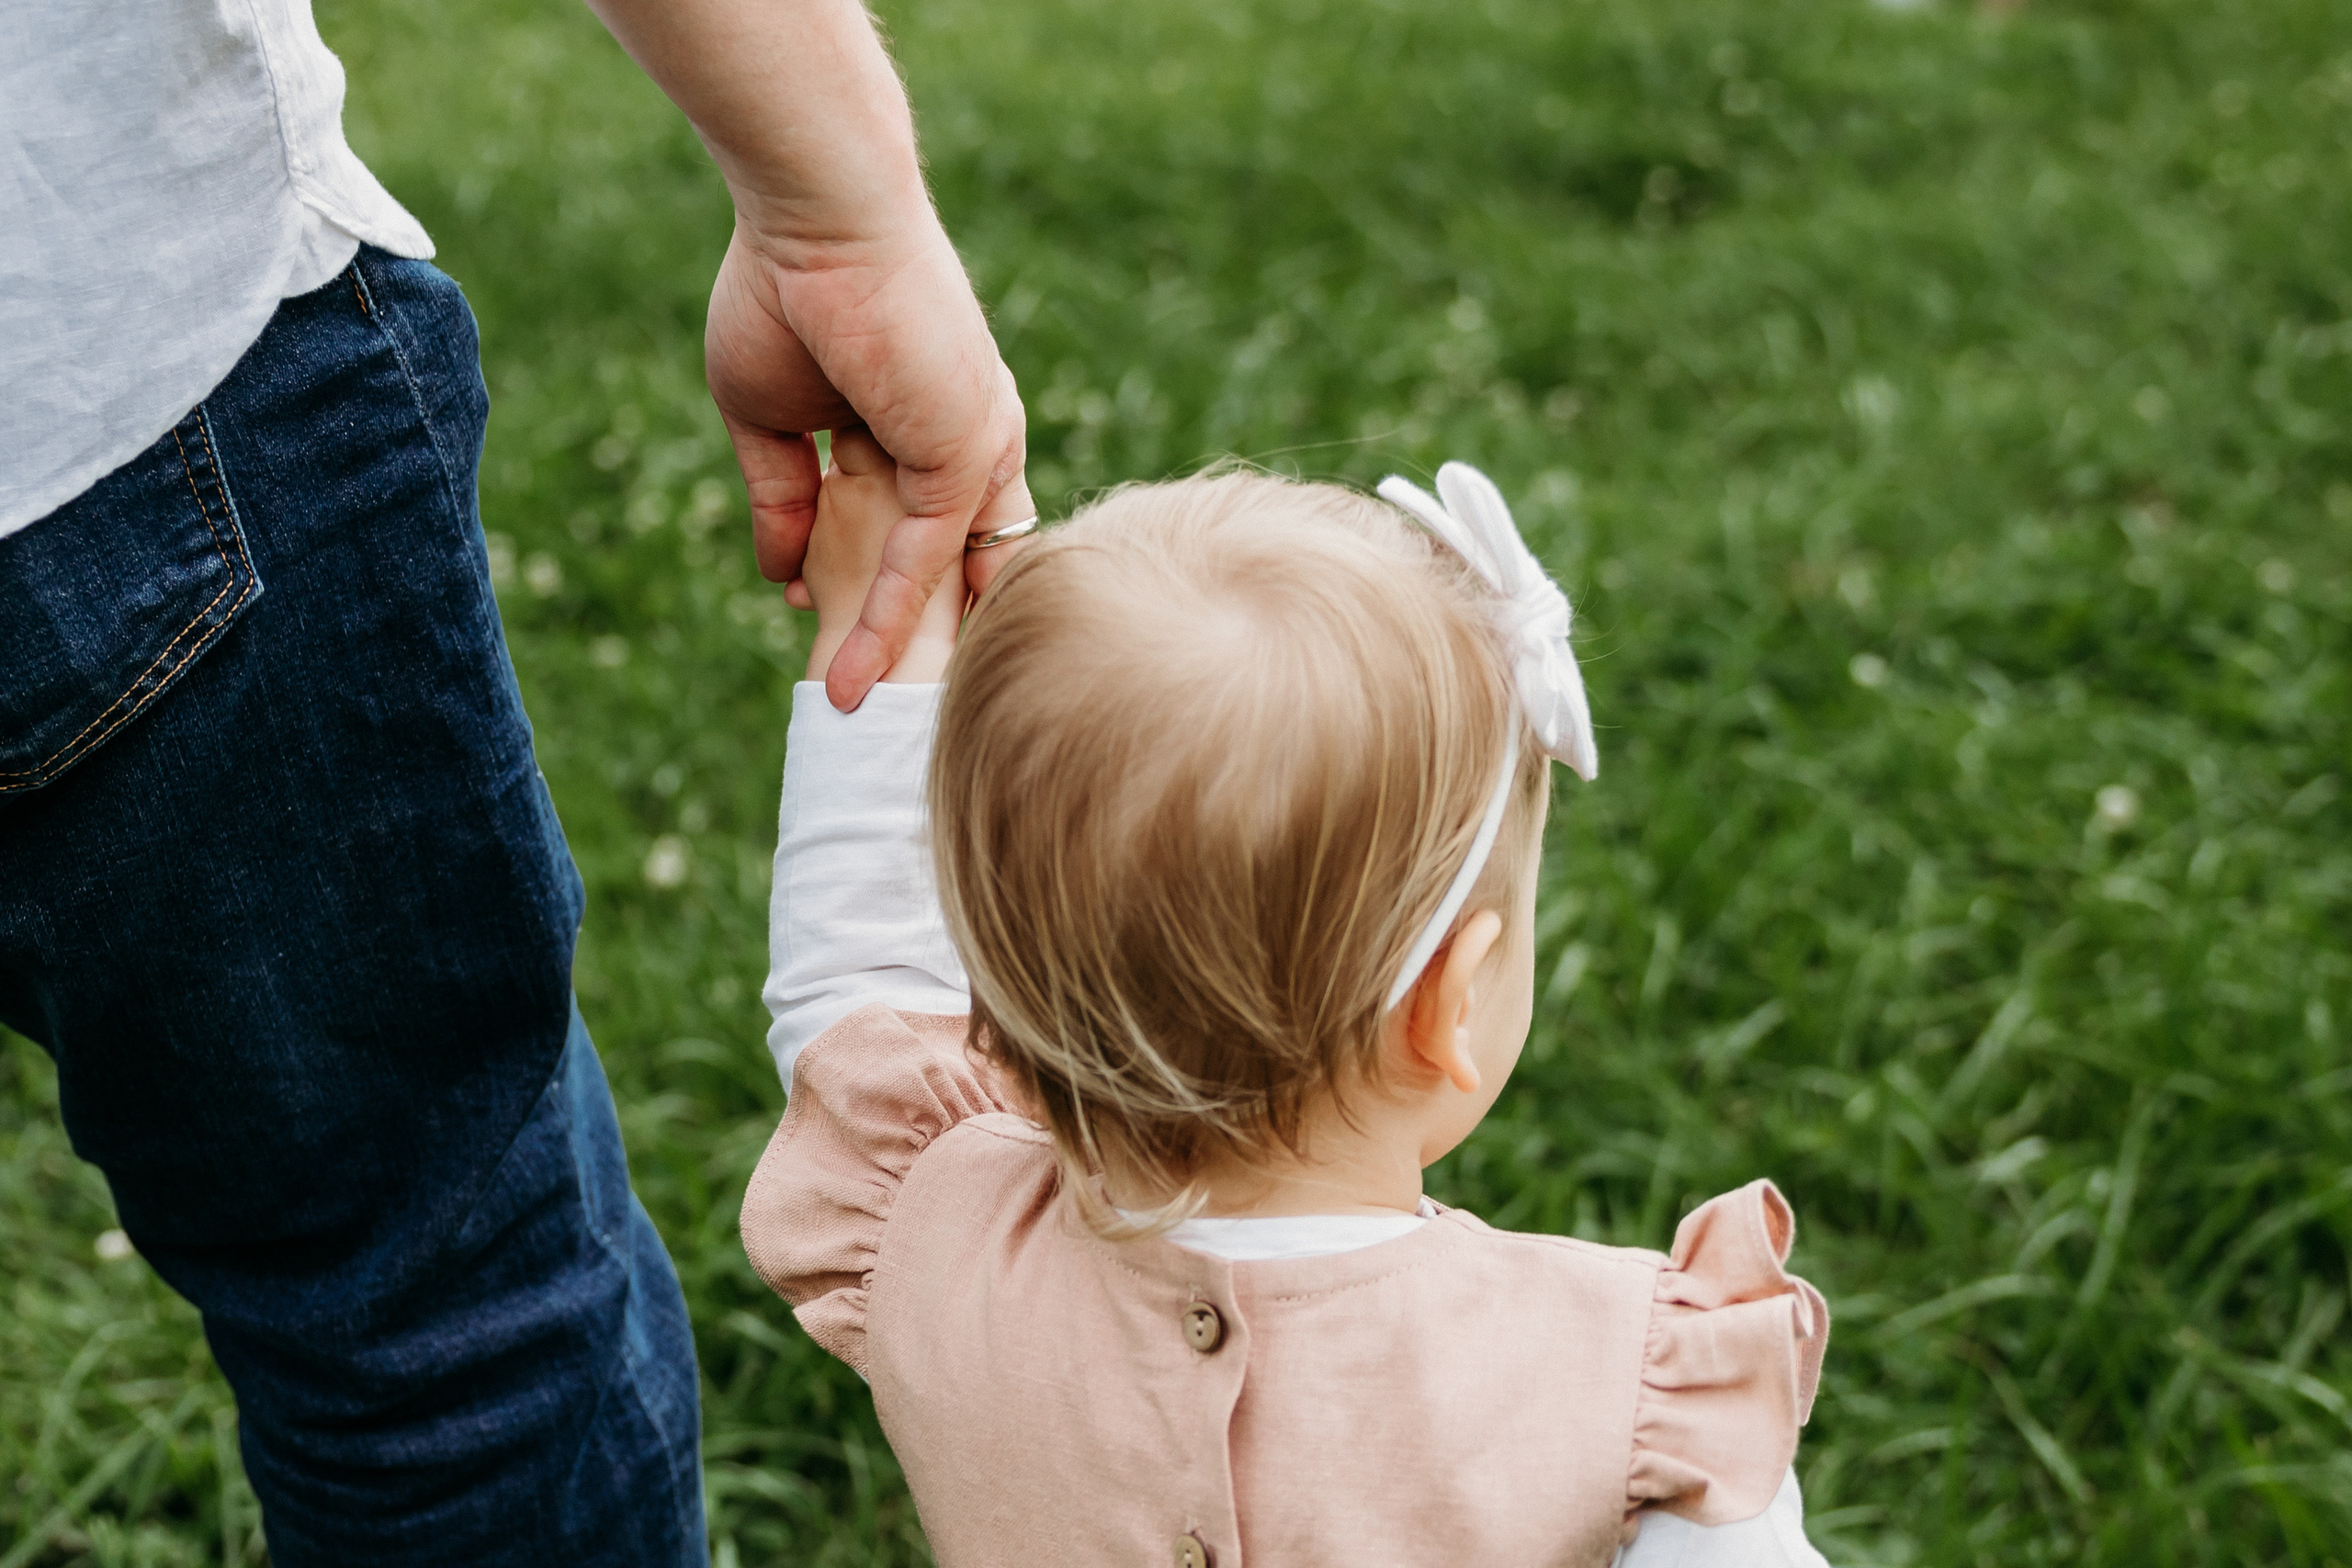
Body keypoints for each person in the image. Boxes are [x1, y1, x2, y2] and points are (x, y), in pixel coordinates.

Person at [0, 1, 1021, 1562]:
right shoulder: (1540, 1378)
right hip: (94, 386)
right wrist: (839, 214)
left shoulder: (940, 1205)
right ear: (1447, 1013)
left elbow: (871, 1031)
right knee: (436, 1348)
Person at [743, 443, 1834, 1565]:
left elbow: (857, 984)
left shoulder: (932, 1232)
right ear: (1448, 1008)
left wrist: (882, 628)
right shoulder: (1618, 1398)